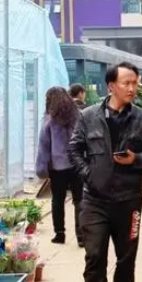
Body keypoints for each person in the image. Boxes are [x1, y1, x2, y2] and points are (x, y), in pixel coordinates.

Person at [69, 62, 142, 282]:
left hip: (129, 200)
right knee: (94, 254)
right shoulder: (88, 116)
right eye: (126, 83)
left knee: (126, 255)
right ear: (111, 86)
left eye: (135, 83)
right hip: (94, 200)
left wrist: (135, 159)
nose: (132, 88)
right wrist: (89, 174)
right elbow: (75, 149)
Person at [35, 87, 83, 246]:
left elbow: (44, 146)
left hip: (58, 168)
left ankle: (60, 234)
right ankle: (81, 236)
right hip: (77, 164)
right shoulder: (78, 116)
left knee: (58, 200)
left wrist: (42, 169)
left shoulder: (49, 120)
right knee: (80, 200)